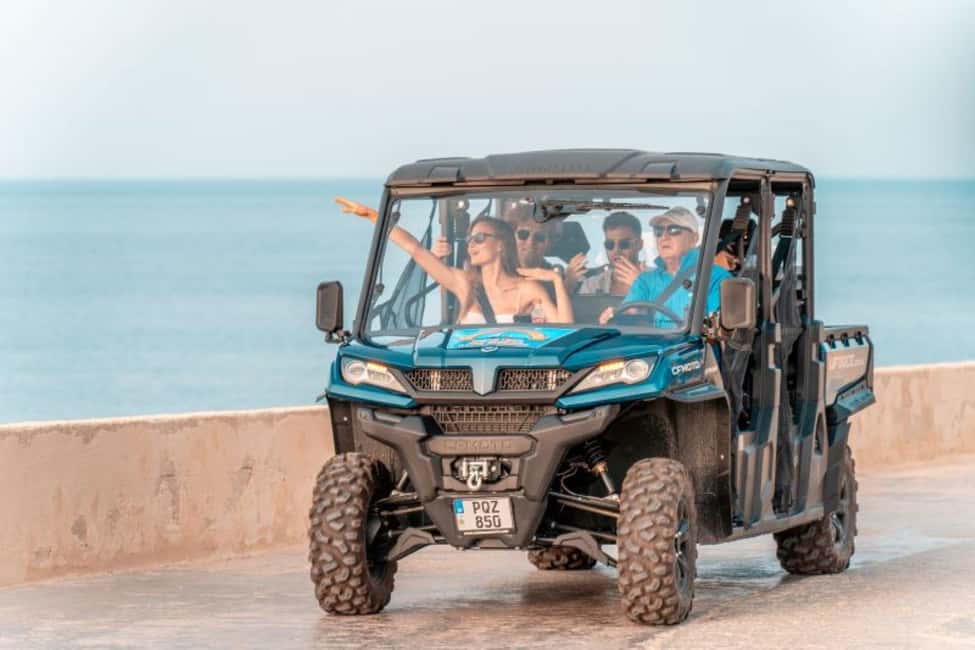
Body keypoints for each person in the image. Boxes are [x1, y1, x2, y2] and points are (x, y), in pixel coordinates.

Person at [335, 197, 573, 324]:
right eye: (469, 239)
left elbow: (564, 329)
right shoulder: (465, 283)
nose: (471, 245)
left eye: (479, 238)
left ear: (501, 244)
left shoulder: (528, 289)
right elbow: (415, 249)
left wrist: (556, 281)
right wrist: (371, 215)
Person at [599, 206, 731, 327]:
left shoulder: (716, 278)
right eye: (658, 231)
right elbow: (631, 309)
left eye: (673, 230)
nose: (664, 237)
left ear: (694, 238)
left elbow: (716, 329)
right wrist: (616, 314)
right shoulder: (645, 279)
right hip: (653, 344)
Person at [577, 211, 644, 296]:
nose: (616, 250)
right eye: (610, 244)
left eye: (624, 244)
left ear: (639, 244)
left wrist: (643, 286)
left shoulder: (657, 280)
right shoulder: (592, 285)